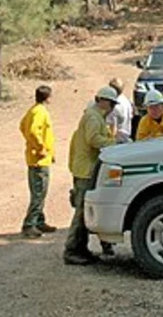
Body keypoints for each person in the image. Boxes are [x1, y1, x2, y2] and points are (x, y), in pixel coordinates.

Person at [63, 86, 117, 266]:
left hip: (86, 169)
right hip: (85, 171)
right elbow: (93, 139)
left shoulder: (95, 116)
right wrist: (113, 144)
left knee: (85, 213)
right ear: (102, 101)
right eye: (111, 103)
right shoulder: (93, 117)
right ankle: (71, 250)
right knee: (80, 213)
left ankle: (81, 249)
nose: (112, 107)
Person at [19, 85, 57, 238]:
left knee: (40, 191)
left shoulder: (33, 110)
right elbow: (33, 131)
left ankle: (40, 221)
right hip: (39, 160)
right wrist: (41, 148)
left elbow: (23, 126)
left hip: (36, 157)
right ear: (47, 97)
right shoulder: (40, 112)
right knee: (39, 192)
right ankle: (29, 224)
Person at [106, 77, 133, 143]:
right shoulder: (126, 101)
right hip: (126, 137)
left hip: (118, 140)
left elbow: (113, 129)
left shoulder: (114, 106)